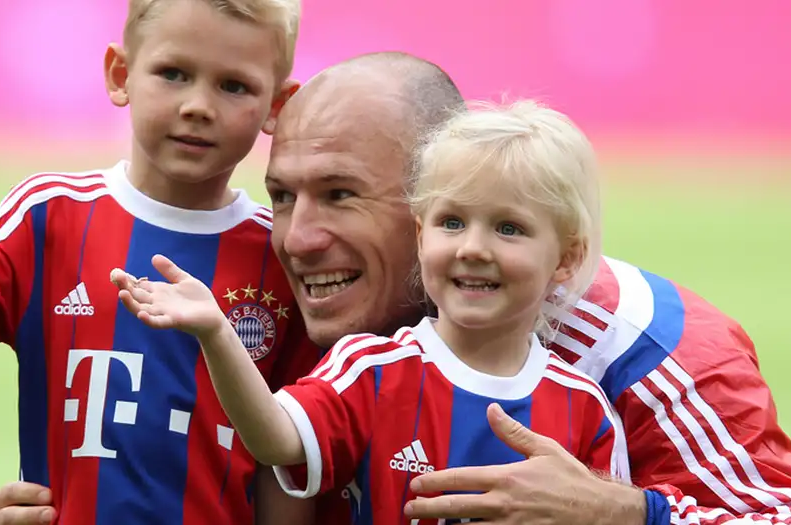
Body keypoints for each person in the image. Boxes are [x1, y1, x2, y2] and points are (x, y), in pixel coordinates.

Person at [0, 52, 791, 525]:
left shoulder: (642, 350)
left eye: (341, 195)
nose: (297, 238)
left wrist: (622, 514)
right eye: (282, 196)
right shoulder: (282, 318)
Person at [0, 0, 321, 523]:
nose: (198, 106)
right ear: (121, 74)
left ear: (277, 105)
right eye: (173, 73)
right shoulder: (49, 215)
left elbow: (296, 461)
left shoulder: (282, 252)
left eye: (233, 86)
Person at [108, 99, 634, 523]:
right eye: (452, 222)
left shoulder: (586, 406)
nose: (473, 248)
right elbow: (275, 438)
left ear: (566, 258)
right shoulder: (371, 368)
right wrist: (217, 333)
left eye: (509, 228)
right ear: (421, 236)